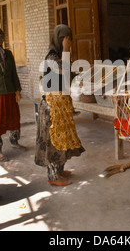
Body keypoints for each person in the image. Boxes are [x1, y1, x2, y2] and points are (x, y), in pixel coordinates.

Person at [35, 24, 85, 186]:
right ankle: (53, 176)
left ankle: (60, 169)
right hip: (52, 106)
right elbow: (62, 74)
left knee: (64, 138)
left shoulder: (59, 55)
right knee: (53, 141)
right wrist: (66, 50)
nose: (68, 41)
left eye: (69, 38)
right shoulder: (52, 57)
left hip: (60, 104)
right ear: (59, 39)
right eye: (65, 38)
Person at [0, 28, 24, 162]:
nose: (0, 37)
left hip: (9, 92)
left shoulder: (8, 54)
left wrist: (18, 90)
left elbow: (14, 73)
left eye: (2, 35)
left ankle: (15, 141)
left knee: (14, 118)